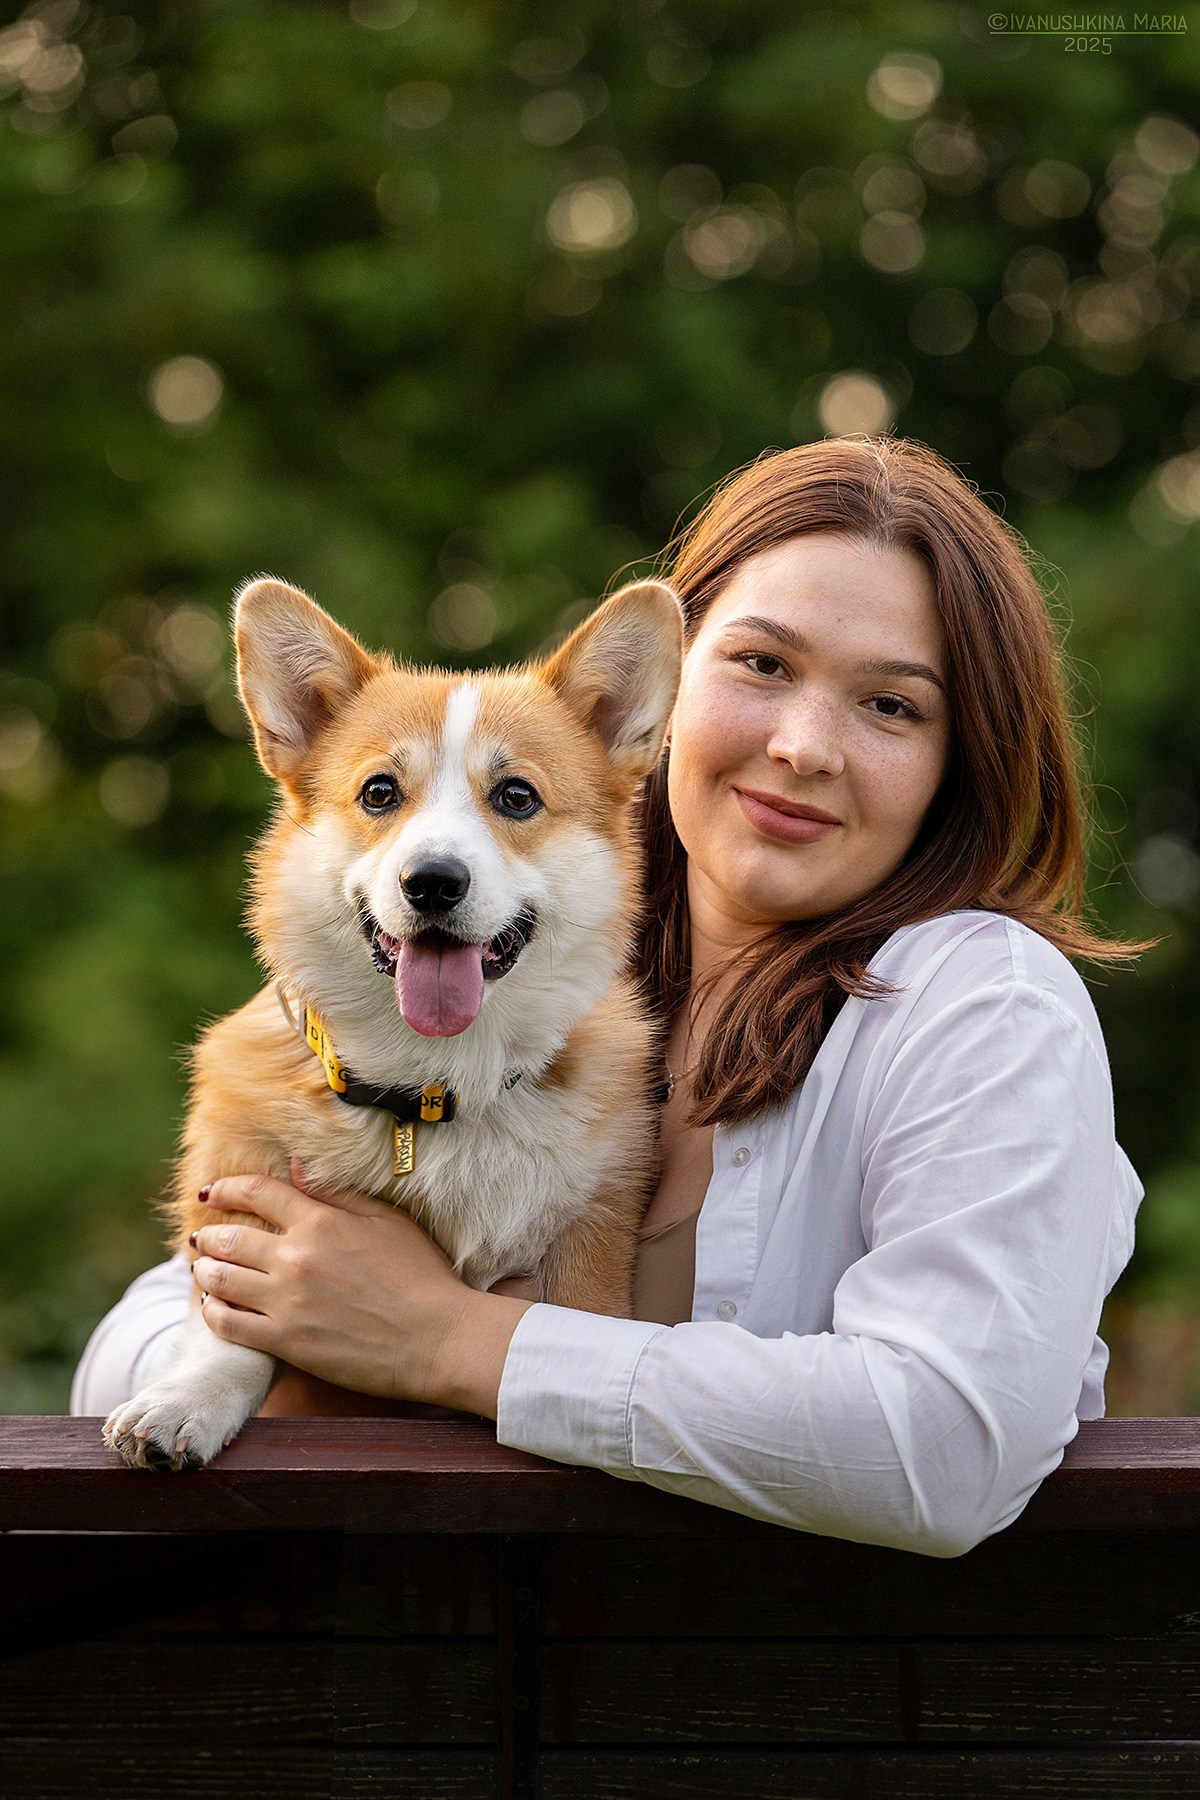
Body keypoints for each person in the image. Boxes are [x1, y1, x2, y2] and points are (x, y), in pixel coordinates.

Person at [71, 437, 1143, 1557]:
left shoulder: (982, 1004)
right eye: (763, 665)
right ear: (669, 697)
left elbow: (943, 1451)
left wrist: (443, 1339)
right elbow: (137, 1347)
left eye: (890, 706)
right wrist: (256, 1348)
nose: (802, 744)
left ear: (956, 759)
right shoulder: (540, 990)